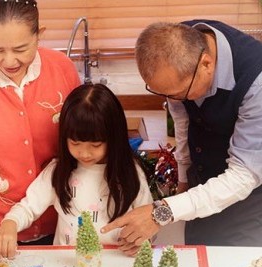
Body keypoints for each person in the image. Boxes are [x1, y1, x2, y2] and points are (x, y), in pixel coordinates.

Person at [101, 20, 262, 247]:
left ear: (206, 64)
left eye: (178, 93)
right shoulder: (180, 43)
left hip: (247, 197)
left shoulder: (257, 82)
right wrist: (184, 178)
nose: (174, 101)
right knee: (199, 257)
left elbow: (243, 176)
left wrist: (162, 211)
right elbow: (182, 122)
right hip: (202, 182)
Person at [0, 0, 80, 246]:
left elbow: (82, 135)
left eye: (21, 49)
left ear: (39, 35)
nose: (9, 61)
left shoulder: (63, 69)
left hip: (58, 222)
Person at [0, 83, 153, 258]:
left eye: (95, 145)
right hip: (68, 265)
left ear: (114, 138)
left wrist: (141, 241)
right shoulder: (59, 171)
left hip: (117, 263)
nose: (84, 153)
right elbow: (28, 207)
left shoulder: (131, 172)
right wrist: (10, 222)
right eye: (75, 143)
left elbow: (147, 220)